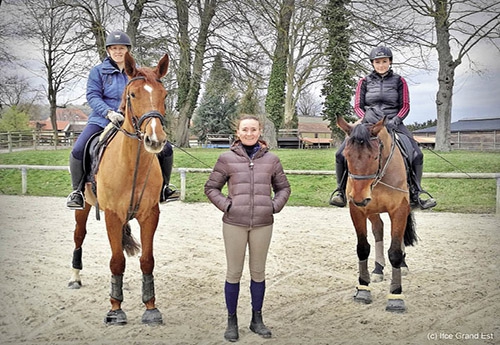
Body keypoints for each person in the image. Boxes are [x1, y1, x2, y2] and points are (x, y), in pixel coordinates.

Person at [66, 30, 179, 209]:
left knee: (166, 149)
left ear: (128, 50)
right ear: (108, 51)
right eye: (114, 48)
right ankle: (77, 191)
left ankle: (164, 188)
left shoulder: (137, 72)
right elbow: (93, 96)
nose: (118, 51)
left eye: (122, 48)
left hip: (132, 123)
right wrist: (109, 112)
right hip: (102, 119)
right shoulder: (98, 72)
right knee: (79, 149)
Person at [204, 115, 291, 342]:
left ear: (260, 131)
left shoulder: (272, 159)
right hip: (234, 223)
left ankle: (257, 319)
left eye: (253, 129)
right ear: (238, 132)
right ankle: (232, 321)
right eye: (245, 129)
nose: (249, 133)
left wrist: (273, 206)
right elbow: (211, 187)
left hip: (263, 223)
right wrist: (227, 205)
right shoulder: (226, 158)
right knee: (234, 272)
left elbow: (284, 188)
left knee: (258, 272)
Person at [329, 46, 436, 210]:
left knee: (417, 154)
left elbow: (405, 106)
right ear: (372, 63)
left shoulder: (400, 81)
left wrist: (396, 119)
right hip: (367, 124)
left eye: (384, 61)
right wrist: (366, 117)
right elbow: (358, 106)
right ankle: (341, 192)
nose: (381, 65)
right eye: (377, 62)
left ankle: (416, 192)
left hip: (393, 122)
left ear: (390, 62)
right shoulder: (363, 82)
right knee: (340, 153)